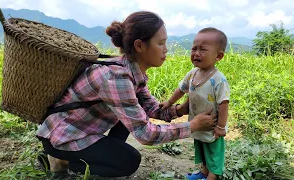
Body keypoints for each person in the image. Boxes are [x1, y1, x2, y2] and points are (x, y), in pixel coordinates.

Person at [36, 11, 216, 178]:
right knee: (128, 161)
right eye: (160, 43)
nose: (166, 49)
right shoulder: (117, 78)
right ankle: (64, 162)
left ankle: (92, 155)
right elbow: (146, 134)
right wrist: (192, 126)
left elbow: (150, 108)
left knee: (131, 121)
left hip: (80, 130)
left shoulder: (130, 69)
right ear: (139, 45)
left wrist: (179, 110)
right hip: (65, 137)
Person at [160, 27, 230, 180]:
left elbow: (224, 105)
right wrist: (170, 102)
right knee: (202, 149)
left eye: (203, 50)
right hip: (197, 123)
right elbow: (181, 89)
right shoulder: (192, 74)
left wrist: (221, 127)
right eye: (194, 48)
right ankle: (203, 173)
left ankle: (212, 176)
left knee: (213, 155)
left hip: (212, 126)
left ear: (218, 56)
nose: (196, 53)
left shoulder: (219, 80)